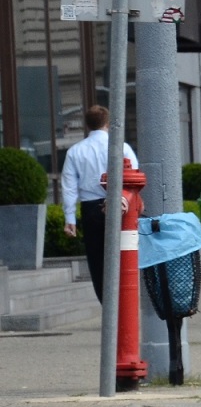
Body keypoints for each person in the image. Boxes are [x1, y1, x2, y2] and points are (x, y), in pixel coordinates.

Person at [61, 105, 139, 303]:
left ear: (87, 125)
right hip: (120, 204)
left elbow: (69, 187)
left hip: (91, 208)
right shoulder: (122, 147)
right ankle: (126, 301)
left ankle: (108, 305)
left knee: (97, 261)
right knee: (125, 256)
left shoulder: (75, 151)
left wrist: (70, 219)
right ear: (107, 123)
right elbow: (135, 179)